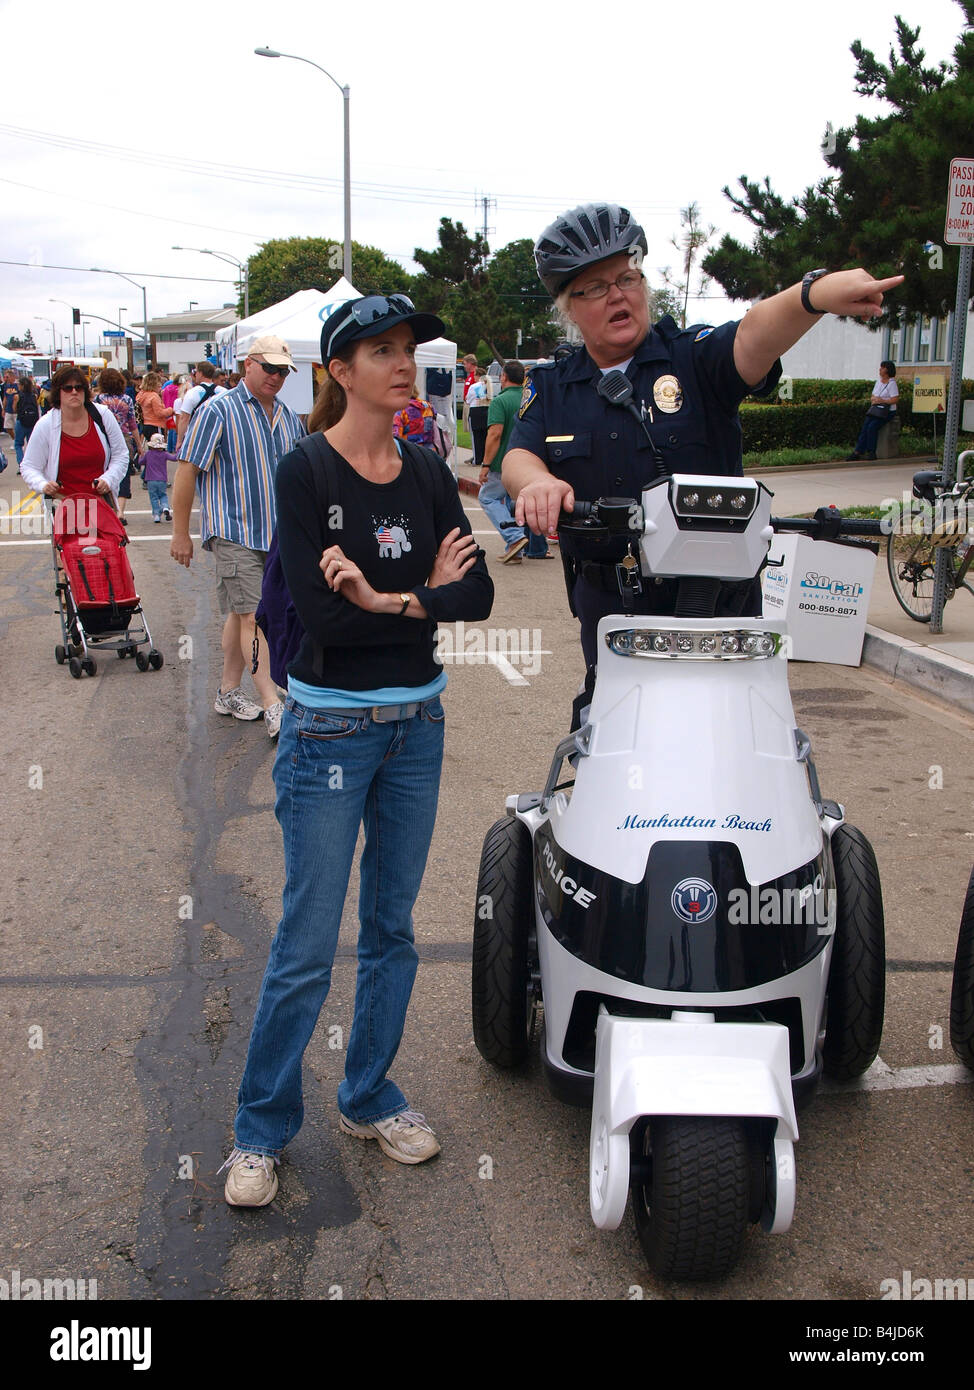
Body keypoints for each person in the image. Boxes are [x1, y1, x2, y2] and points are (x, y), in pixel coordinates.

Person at [218, 293, 493, 1207]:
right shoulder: (305, 475)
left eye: (407, 346)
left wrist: (386, 599)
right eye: (381, 349)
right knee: (305, 939)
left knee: (392, 929)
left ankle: (368, 1093)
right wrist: (417, 593)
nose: (404, 361)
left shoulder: (424, 468)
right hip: (329, 727)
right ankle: (260, 1128)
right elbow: (322, 615)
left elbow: (480, 593)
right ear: (340, 371)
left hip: (418, 726)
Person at [503, 202, 904, 665]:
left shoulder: (693, 358)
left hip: (718, 611)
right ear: (569, 308)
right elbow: (519, 457)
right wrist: (537, 482)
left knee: (740, 731)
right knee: (603, 731)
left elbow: (752, 335)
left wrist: (810, 295)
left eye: (627, 278)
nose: (617, 296)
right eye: (594, 288)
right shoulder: (553, 384)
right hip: (613, 612)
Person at [169, 335, 306, 737]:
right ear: (248, 364)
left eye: (283, 371)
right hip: (234, 531)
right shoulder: (218, 411)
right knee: (253, 614)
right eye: (269, 368)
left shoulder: (288, 416)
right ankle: (272, 702)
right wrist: (181, 533)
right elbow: (187, 469)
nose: (276, 377)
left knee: (240, 611)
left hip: (278, 535)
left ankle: (228, 691)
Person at [19, 364, 129, 503]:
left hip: (101, 503)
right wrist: (43, 485)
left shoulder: (103, 416)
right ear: (58, 392)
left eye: (79, 387)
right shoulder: (46, 424)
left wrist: (108, 479)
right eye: (67, 388)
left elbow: (121, 455)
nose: (74, 392)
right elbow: (29, 466)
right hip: (63, 506)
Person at [479, 361, 550, 562]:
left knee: (488, 498)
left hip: (503, 463)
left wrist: (485, 464)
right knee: (516, 502)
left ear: (503, 377)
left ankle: (514, 537)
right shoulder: (531, 398)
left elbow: (495, 434)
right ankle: (520, 547)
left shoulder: (500, 402)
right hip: (532, 462)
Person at [95, 367, 144, 526]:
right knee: (123, 473)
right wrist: (139, 444)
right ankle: (120, 511)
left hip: (103, 438)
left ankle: (109, 508)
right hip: (124, 438)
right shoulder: (127, 399)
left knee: (106, 472)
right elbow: (132, 424)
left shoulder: (99, 400)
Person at [847, 361, 898, 461]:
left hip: (887, 411)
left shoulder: (892, 384)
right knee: (865, 427)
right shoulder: (878, 382)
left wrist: (883, 400)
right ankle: (858, 451)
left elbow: (895, 399)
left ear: (887, 370)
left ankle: (871, 452)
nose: (880, 369)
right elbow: (873, 395)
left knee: (872, 427)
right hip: (876, 409)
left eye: (882, 368)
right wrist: (874, 399)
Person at [143, 432, 174, 522]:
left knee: (154, 498)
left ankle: (156, 515)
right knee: (163, 495)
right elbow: (174, 458)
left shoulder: (148, 454)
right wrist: (180, 450)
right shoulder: (164, 454)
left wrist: (141, 456)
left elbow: (141, 462)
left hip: (150, 479)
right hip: (162, 479)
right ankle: (165, 507)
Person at [13, 376, 40, 466]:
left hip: (21, 421)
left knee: (18, 444)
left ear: (21, 386)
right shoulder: (34, 396)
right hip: (32, 422)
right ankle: (32, 463)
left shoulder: (17, 396)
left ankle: (21, 464)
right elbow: (36, 407)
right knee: (31, 444)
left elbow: (14, 409)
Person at [137, 371, 170, 443]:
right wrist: (170, 410)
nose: (160, 385)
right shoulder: (154, 396)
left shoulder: (142, 394)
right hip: (156, 425)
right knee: (159, 449)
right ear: (154, 383)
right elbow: (159, 413)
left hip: (146, 424)